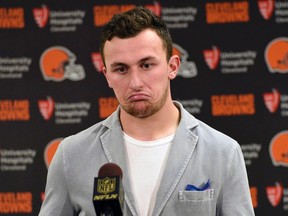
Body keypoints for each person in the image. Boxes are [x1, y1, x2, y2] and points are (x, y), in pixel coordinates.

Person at [39, 6, 255, 216]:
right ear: (107, 75)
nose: (135, 82)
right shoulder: (72, 154)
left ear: (172, 66)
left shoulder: (223, 152)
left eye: (146, 65)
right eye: (121, 69)